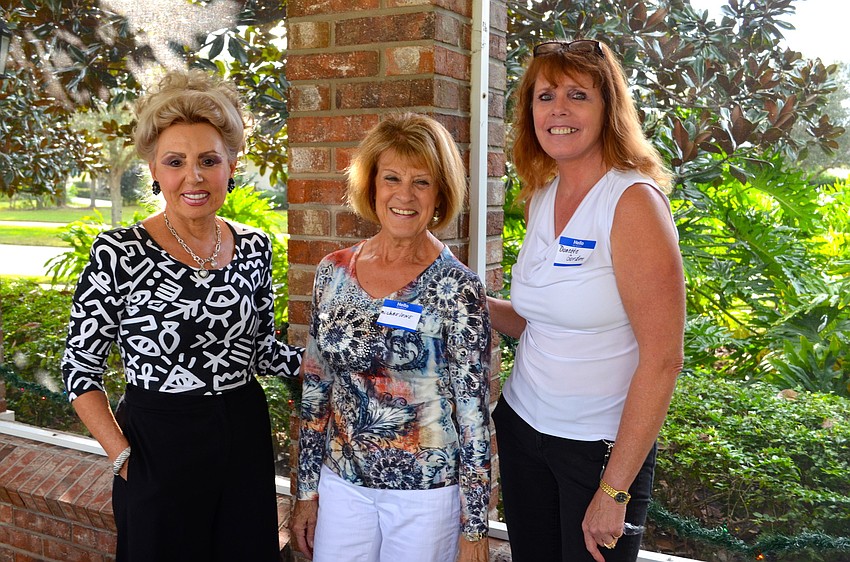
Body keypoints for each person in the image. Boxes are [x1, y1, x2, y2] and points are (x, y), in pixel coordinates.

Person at [60, 69, 303, 562]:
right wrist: (123, 456)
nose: (193, 176)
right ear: (154, 169)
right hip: (157, 442)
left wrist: (327, 362)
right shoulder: (120, 252)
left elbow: (258, 349)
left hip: (242, 434)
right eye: (176, 162)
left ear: (231, 166)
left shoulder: (254, 247)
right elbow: (79, 370)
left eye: (208, 160)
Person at [488, 39, 685, 562]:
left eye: (578, 95)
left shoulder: (632, 202)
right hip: (524, 428)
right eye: (544, 95)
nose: (558, 110)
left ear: (608, 110)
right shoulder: (541, 195)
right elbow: (535, 321)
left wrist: (615, 490)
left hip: (598, 452)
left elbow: (663, 360)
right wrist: (464, 296)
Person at [289, 113, 492, 562]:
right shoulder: (333, 271)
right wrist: (305, 493)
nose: (404, 195)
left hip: (426, 499)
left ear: (440, 194)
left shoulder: (458, 288)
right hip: (341, 485)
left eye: (421, 182)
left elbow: (473, 412)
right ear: (372, 186)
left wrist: (475, 527)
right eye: (392, 178)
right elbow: (315, 393)